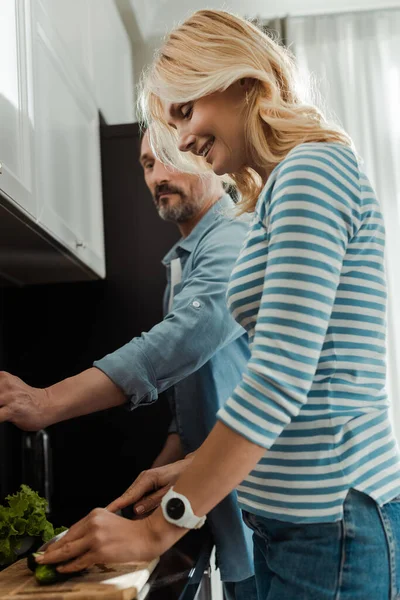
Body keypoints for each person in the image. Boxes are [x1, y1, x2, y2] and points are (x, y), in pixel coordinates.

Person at [11, 9, 400, 599]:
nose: (183, 139)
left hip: (332, 523)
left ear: (242, 82)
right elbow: (293, 382)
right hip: (293, 522)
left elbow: (277, 382)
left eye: (185, 111)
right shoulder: (278, 192)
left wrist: (159, 529)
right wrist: (183, 473)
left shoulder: (311, 171)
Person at [0, 130, 257, 599]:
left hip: (263, 512)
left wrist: (43, 402)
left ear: (204, 156)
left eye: (167, 158)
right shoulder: (182, 268)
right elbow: (188, 417)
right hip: (216, 505)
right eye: (145, 165)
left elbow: (183, 340)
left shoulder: (234, 236)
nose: (157, 175)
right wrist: (132, 509)